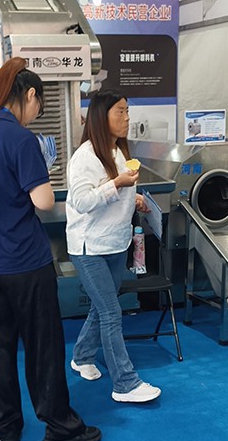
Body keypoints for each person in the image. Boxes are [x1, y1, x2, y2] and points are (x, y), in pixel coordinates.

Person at [0, 57, 101, 441]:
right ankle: (60, 427)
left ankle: (4, 425)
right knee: (42, 346)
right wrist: (39, 170)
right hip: (24, 263)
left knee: (0, 346)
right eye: (39, 105)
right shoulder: (21, 140)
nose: (37, 113)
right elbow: (44, 201)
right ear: (30, 94)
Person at [65, 90, 161, 404]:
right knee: (110, 312)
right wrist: (117, 184)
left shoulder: (118, 151)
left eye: (127, 111)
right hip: (89, 247)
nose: (127, 118)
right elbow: (82, 201)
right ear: (100, 116)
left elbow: (112, 195)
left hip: (116, 243)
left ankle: (81, 356)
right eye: (120, 111)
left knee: (101, 307)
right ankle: (125, 383)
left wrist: (134, 198)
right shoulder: (86, 156)